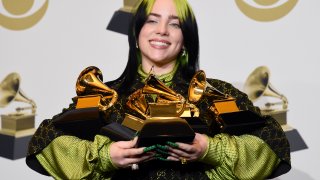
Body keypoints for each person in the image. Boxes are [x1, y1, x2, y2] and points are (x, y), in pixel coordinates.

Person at [26, 0, 291, 179]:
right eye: (152, 21)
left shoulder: (215, 92)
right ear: (137, 34)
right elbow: (45, 142)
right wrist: (106, 156)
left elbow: (272, 143)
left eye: (175, 24)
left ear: (186, 38)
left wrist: (209, 150)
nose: (162, 31)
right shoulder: (103, 96)